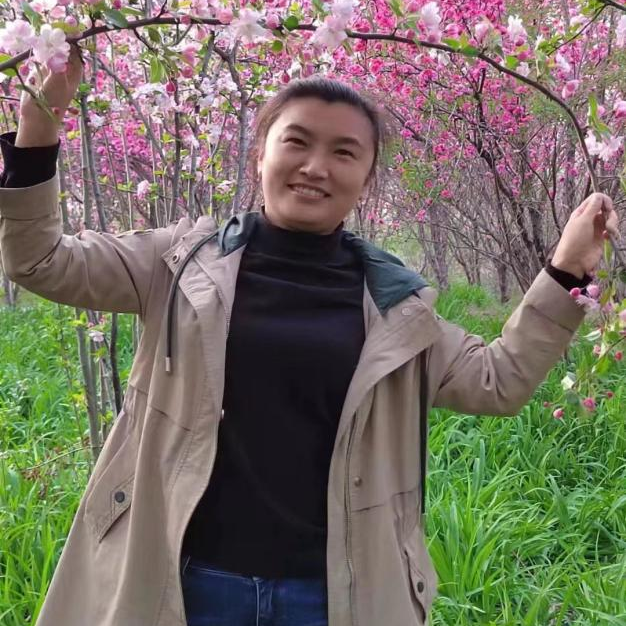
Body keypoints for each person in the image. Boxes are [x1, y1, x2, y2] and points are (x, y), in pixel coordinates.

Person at [0, 46, 618, 626]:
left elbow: (498, 380)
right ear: (260, 156)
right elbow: (41, 261)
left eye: (345, 152)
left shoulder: (397, 306)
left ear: (367, 179)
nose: (316, 167)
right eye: (296, 141)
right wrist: (36, 133)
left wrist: (564, 272)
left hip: (329, 591)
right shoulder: (177, 263)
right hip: (184, 578)